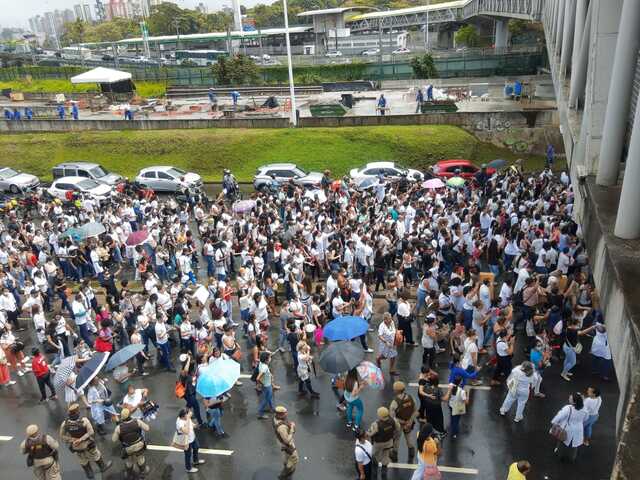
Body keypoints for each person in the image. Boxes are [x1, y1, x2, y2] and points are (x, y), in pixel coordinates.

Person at [59, 403, 112, 479]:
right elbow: (91, 432)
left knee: (82, 459)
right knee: (95, 454)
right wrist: (81, 439)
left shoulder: (65, 423)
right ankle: (102, 467)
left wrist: (72, 439)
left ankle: (89, 473)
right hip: (88, 444)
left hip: (76, 446)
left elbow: (62, 436)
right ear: (77, 412)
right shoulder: (84, 421)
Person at [550, 392, 590, 463]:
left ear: (574, 402)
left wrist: (554, 422)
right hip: (578, 429)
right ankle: (572, 457)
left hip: (567, 429)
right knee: (574, 445)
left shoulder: (568, 408)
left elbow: (559, 416)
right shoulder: (585, 409)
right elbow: (586, 418)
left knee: (562, 442)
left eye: (571, 398)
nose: (569, 398)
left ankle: (560, 455)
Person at [112, 408, 150, 478]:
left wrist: (118, 426)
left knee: (129, 461)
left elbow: (114, 439)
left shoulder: (119, 428)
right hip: (139, 445)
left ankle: (129, 473)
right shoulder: (137, 422)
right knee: (140, 458)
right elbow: (147, 428)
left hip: (128, 448)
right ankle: (143, 471)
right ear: (130, 415)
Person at [367, 406, 401, 478]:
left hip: (378, 444)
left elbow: (371, 434)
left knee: (375, 456)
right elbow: (398, 428)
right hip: (388, 442)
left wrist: (367, 433)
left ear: (380, 415)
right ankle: (384, 472)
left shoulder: (376, 424)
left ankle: (375, 472)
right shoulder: (393, 421)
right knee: (386, 456)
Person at [389, 381, 418, 460]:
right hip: (409, 422)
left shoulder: (395, 402)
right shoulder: (411, 398)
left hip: (399, 423)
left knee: (397, 439)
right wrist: (410, 421)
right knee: (408, 437)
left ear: (396, 390)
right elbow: (415, 411)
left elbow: (392, 416)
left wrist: (401, 422)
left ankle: (394, 454)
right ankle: (411, 452)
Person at [176, 408, 206, 473]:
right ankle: (188, 468)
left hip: (192, 437)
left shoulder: (187, 418)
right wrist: (188, 418)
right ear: (184, 416)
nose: (190, 414)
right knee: (188, 454)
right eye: (188, 414)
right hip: (186, 441)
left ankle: (195, 461)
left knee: (196, 447)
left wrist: (195, 425)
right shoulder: (179, 422)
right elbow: (186, 431)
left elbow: (191, 424)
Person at [273, 405, 298, 480]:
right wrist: (292, 429)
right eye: (285, 413)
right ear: (280, 414)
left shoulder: (275, 418)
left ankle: (286, 465)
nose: (286, 414)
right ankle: (285, 473)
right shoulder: (282, 427)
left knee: (286, 456)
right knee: (294, 457)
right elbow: (287, 440)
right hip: (286, 444)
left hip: (280, 442)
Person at [257, 351, 275, 419]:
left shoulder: (261, 363)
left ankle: (271, 408)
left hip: (266, 384)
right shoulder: (264, 368)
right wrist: (261, 383)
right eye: (269, 358)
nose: (270, 359)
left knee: (269, 397)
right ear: (266, 360)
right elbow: (258, 378)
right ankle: (260, 413)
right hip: (267, 385)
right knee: (266, 399)